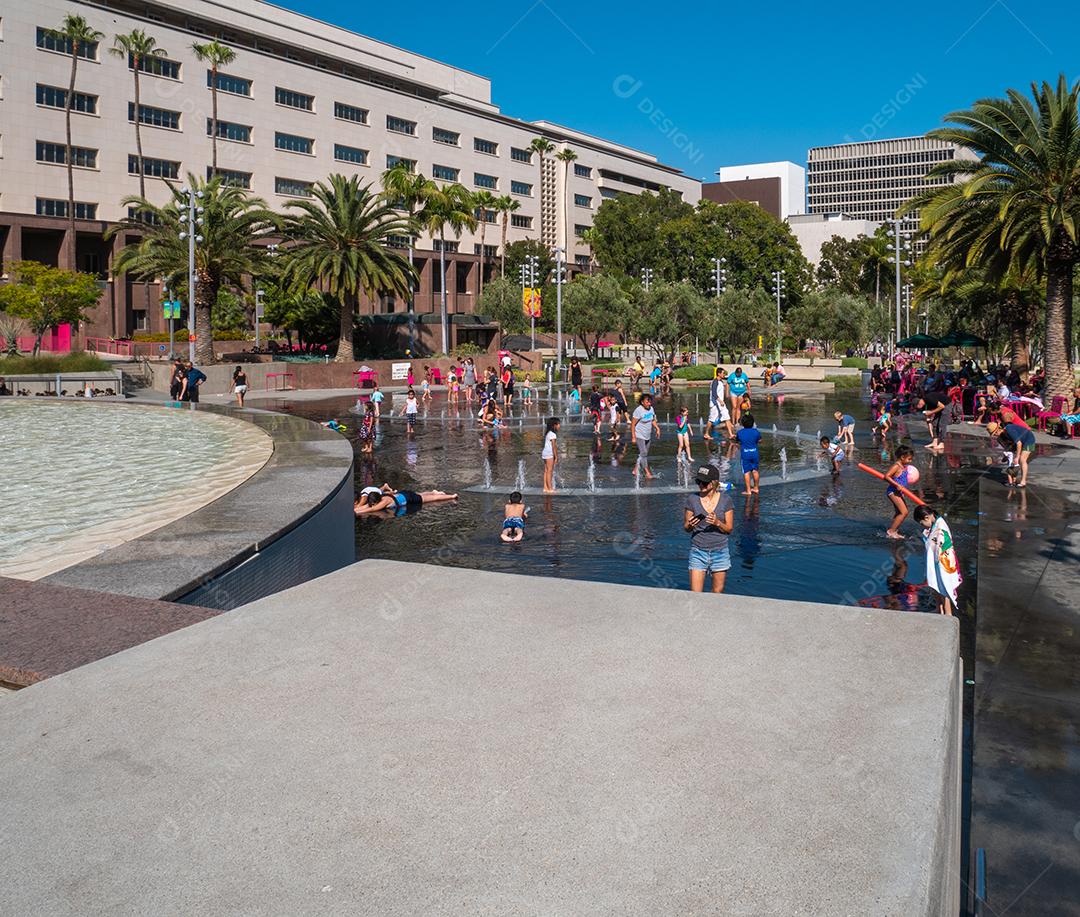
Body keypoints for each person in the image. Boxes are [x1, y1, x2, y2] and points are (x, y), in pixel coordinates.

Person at [684, 464, 735, 593]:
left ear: (714, 482)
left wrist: (718, 522)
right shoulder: (692, 499)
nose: (700, 485)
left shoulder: (726, 500)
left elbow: (729, 529)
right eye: (698, 481)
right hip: (698, 552)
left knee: (716, 596)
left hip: (720, 552)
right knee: (696, 595)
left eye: (704, 482)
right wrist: (691, 525)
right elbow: (686, 528)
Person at [916, 505, 961, 616]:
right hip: (938, 560)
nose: (923, 527)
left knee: (944, 585)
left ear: (927, 517)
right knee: (935, 583)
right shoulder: (935, 523)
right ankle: (939, 609)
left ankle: (948, 613)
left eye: (921, 523)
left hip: (944, 562)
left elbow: (939, 542)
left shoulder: (940, 526)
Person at [987, 420, 1036, 487]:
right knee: (1013, 461)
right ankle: (1013, 479)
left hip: (1028, 439)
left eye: (995, 433)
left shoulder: (1009, 429)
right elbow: (1008, 449)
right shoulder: (1000, 437)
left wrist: (1017, 457)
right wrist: (1006, 456)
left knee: (1022, 459)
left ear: (999, 429)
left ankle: (1023, 481)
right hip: (1019, 442)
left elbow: (1019, 443)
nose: (995, 435)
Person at [354, 485, 458, 515]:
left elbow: (371, 510)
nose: (372, 505)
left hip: (408, 498)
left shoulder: (384, 502)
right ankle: (434, 491)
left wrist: (353, 512)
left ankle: (451, 496)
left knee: (431, 499)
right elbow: (367, 506)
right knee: (420, 495)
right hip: (403, 494)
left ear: (376, 501)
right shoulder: (382, 497)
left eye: (373, 504)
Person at [884, 445, 917, 540]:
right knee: (904, 512)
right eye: (909, 459)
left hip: (898, 493)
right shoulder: (896, 466)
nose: (910, 461)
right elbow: (887, 476)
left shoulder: (904, 466)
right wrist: (897, 485)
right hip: (893, 492)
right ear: (902, 457)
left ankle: (895, 529)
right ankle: (891, 531)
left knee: (899, 512)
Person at [631, 393, 660, 479]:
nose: (649, 404)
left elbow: (653, 420)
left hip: (647, 435)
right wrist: (633, 436)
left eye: (650, 402)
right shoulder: (638, 410)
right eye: (647, 402)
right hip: (639, 435)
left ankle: (635, 470)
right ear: (642, 402)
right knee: (644, 454)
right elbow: (632, 424)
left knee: (643, 454)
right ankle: (647, 473)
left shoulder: (651, 409)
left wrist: (657, 428)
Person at [705, 367, 733, 442]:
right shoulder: (715, 382)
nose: (724, 374)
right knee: (711, 419)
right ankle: (706, 433)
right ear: (719, 373)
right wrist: (720, 401)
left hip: (721, 404)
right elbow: (714, 393)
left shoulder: (721, 382)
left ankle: (731, 434)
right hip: (715, 404)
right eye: (723, 373)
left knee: (727, 417)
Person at [736, 413, 761, 494]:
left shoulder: (740, 432)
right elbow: (759, 440)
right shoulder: (756, 432)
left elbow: (737, 441)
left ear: (742, 423)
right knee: (755, 471)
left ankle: (748, 490)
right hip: (754, 453)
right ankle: (756, 488)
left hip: (745, 454)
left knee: (746, 472)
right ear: (753, 423)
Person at [542, 417, 560, 493]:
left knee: (546, 471)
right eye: (558, 424)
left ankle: (545, 487)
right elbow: (554, 446)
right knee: (550, 471)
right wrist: (556, 456)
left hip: (544, 453)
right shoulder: (553, 434)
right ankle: (550, 488)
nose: (559, 426)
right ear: (554, 425)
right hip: (549, 454)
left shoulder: (548, 433)